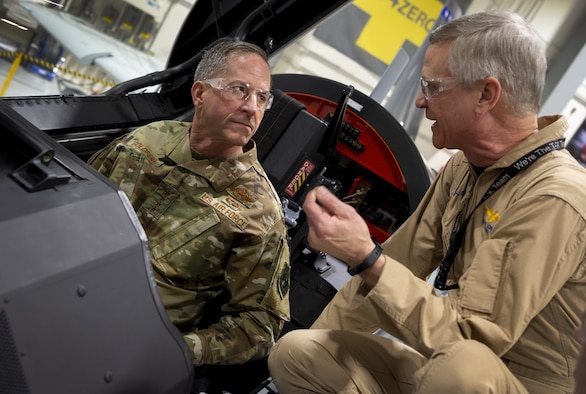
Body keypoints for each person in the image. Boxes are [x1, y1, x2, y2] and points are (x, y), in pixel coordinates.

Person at [268, 10, 586, 393]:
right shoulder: (465, 167)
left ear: (486, 94)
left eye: (433, 87)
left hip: (512, 382)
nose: (420, 101)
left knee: (461, 368)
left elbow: (470, 337)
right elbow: (396, 265)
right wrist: (366, 270)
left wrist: (366, 256)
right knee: (299, 354)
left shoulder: (555, 197)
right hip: (447, 366)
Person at [89, 40, 290, 372]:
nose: (251, 107)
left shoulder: (259, 213)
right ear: (199, 94)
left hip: (131, 347)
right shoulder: (146, 141)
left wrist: (179, 350)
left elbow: (260, 326)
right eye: (240, 89)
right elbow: (73, 202)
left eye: (262, 97)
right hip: (67, 291)